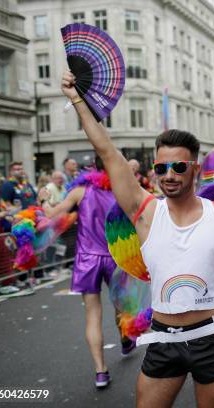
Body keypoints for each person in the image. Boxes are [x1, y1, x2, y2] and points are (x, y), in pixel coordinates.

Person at [62, 70, 214, 408]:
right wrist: (78, 100)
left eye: (179, 168)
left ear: (195, 169)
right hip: (163, 339)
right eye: (162, 168)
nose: (169, 176)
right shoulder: (145, 210)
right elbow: (108, 152)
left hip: (211, 336)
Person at [38, 158, 132, 388]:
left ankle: (101, 371)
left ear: (92, 167)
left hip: (87, 259)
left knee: (92, 314)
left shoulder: (80, 191)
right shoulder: (124, 190)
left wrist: (43, 200)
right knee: (122, 305)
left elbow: (51, 215)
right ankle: (125, 334)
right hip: (115, 257)